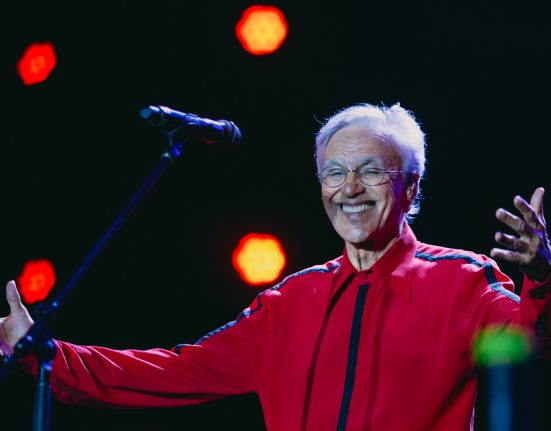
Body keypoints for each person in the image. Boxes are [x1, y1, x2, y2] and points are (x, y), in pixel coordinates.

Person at [1, 103, 550, 430]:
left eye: (370, 172)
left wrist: (543, 278)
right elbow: (170, 371)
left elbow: (531, 339)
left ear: (411, 187)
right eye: (334, 173)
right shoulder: (289, 304)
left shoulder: (462, 282)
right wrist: (48, 355)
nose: (349, 189)